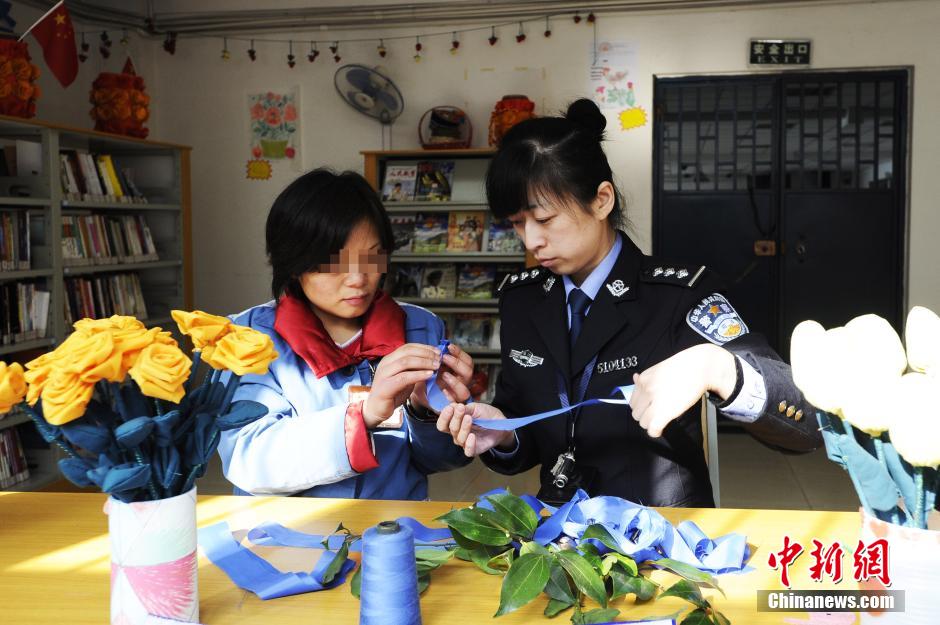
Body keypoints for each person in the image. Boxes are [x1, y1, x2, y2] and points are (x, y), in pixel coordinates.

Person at [437, 99, 822, 507]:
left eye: (545, 220)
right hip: (560, 539)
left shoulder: (678, 297)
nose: (531, 241)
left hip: (662, 538)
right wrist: (506, 433)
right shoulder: (523, 301)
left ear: (602, 200)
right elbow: (531, 432)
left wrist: (718, 367)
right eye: (517, 224)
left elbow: (808, 424)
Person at [218, 168, 473, 499]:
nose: (357, 279)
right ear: (293, 263)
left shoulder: (421, 328)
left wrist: (427, 414)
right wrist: (363, 415)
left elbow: (440, 460)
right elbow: (248, 458)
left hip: (392, 532)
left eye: (371, 258)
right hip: (286, 539)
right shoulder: (248, 338)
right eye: (334, 264)